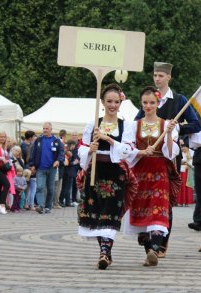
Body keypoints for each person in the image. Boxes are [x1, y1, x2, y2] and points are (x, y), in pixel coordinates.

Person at [134, 62, 201, 257]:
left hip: (169, 156)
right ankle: (148, 236)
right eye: (155, 75)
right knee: (147, 196)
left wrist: (178, 127)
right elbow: (135, 124)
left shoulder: (179, 100)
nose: (157, 79)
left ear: (169, 77)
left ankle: (162, 242)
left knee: (166, 200)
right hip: (148, 157)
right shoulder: (149, 100)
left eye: (161, 75)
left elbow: (197, 124)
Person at [77, 83, 135, 270]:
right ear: (102, 102)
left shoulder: (125, 125)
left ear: (120, 103)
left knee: (110, 213)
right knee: (97, 212)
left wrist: (108, 139)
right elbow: (81, 149)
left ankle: (104, 252)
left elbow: (127, 150)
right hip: (95, 171)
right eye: (109, 101)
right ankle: (105, 253)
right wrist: (89, 149)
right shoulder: (92, 124)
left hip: (115, 174)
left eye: (116, 102)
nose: (112, 105)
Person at [123, 86, 179, 267]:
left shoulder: (166, 125)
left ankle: (155, 248)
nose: (148, 106)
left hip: (159, 172)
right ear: (141, 103)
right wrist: (140, 151)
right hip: (139, 173)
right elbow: (126, 150)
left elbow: (170, 153)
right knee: (141, 210)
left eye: (152, 103)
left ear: (158, 103)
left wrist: (169, 134)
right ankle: (149, 251)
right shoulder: (134, 125)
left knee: (159, 208)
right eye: (145, 102)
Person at [29, 122, 64, 214]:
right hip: (40, 168)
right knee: (40, 187)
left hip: (52, 168)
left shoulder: (56, 140)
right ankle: (41, 206)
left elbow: (61, 152)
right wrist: (32, 164)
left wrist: (58, 160)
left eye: (46, 129)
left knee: (50, 188)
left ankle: (48, 207)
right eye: (43, 128)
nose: (44, 130)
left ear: (51, 129)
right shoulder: (39, 140)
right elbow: (33, 152)